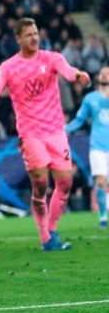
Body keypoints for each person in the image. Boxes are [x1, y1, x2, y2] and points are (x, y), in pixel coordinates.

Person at [0, 17, 91, 252]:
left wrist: (79, 75)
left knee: (65, 182)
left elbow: (68, 71)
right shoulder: (8, 67)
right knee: (40, 183)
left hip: (56, 131)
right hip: (30, 134)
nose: (34, 38)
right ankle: (45, 238)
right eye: (28, 34)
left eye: (36, 33)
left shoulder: (52, 58)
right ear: (18, 38)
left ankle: (51, 230)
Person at [66, 66, 109, 229]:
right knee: (101, 181)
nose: (105, 74)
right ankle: (103, 216)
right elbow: (79, 120)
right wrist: (65, 129)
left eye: (108, 73)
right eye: (103, 73)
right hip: (97, 146)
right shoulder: (90, 99)